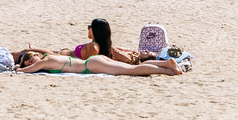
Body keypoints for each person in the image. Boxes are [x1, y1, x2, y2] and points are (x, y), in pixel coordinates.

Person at [14, 49, 186, 76]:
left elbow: (26, 71)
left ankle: (168, 70)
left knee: (132, 71)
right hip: (92, 62)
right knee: (132, 68)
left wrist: (18, 68)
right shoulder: (49, 56)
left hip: (92, 65)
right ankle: (166, 65)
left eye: (29, 58)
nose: (30, 62)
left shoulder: (44, 62)